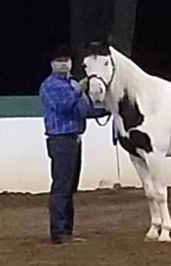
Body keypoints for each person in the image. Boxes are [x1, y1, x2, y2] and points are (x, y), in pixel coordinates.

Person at [39, 44, 109, 245]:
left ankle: (66, 231)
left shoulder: (71, 84)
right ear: (52, 64)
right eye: (59, 60)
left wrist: (110, 110)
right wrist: (80, 89)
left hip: (73, 139)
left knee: (69, 187)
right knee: (62, 187)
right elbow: (63, 106)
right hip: (61, 139)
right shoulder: (50, 86)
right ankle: (59, 232)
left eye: (66, 60)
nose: (63, 64)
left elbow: (85, 110)